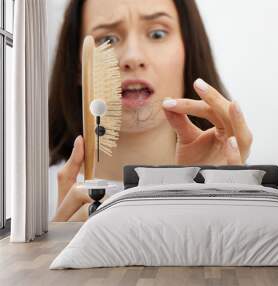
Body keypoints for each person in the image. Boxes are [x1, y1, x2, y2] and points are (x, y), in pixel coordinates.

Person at [49, 0, 253, 222]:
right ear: (78, 67)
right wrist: (58, 245)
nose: (133, 58)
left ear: (188, 50)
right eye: (108, 39)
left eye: (157, 34)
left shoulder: (240, 186)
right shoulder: (30, 203)